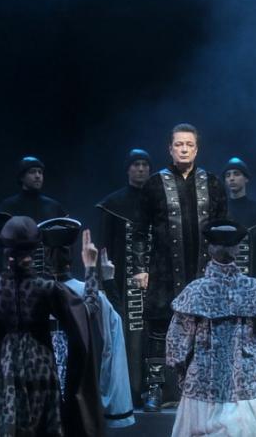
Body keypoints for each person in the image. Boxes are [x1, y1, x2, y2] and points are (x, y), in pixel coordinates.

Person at [0, 217, 103, 437]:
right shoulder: (46, 289)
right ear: (36, 248)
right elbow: (86, 311)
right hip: (40, 376)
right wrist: (91, 269)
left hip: (3, 378)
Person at [166, 219, 256, 437]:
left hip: (205, 380)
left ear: (210, 249)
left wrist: (182, 375)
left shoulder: (196, 290)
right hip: (245, 379)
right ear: (238, 250)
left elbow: (177, 346)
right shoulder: (251, 287)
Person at [130, 123, 228, 409]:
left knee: (204, 328)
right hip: (163, 271)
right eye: (178, 144)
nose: (184, 149)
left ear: (196, 149)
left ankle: (203, 388)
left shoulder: (212, 183)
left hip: (203, 272)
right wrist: (140, 268)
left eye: (189, 144)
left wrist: (223, 268)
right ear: (170, 149)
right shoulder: (154, 184)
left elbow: (223, 230)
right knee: (159, 326)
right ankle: (155, 389)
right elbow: (139, 230)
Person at [40, 217, 135, 428]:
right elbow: (114, 329)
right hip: (79, 391)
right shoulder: (88, 294)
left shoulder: (31, 293)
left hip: (43, 389)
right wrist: (104, 278)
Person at [95, 148, 152, 405]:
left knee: (153, 334)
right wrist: (104, 281)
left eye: (144, 165)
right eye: (136, 165)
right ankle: (130, 391)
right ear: (128, 169)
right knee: (127, 334)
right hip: (122, 283)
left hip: (154, 282)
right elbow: (104, 246)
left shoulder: (156, 201)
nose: (140, 169)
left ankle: (155, 390)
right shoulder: (113, 204)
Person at [0, 156, 68, 273]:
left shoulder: (53, 207)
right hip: (18, 275)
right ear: (21, 177)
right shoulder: (8, 207)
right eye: (32, 172)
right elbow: (4, 248)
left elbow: (63, 246)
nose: (37, 176)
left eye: (40, 172)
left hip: (50, 276)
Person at [222, 157, 256, 280]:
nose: (231, 178)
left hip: (250, 281)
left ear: (246, 178)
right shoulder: (219, 211)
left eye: (236, 174)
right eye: (228, 175)